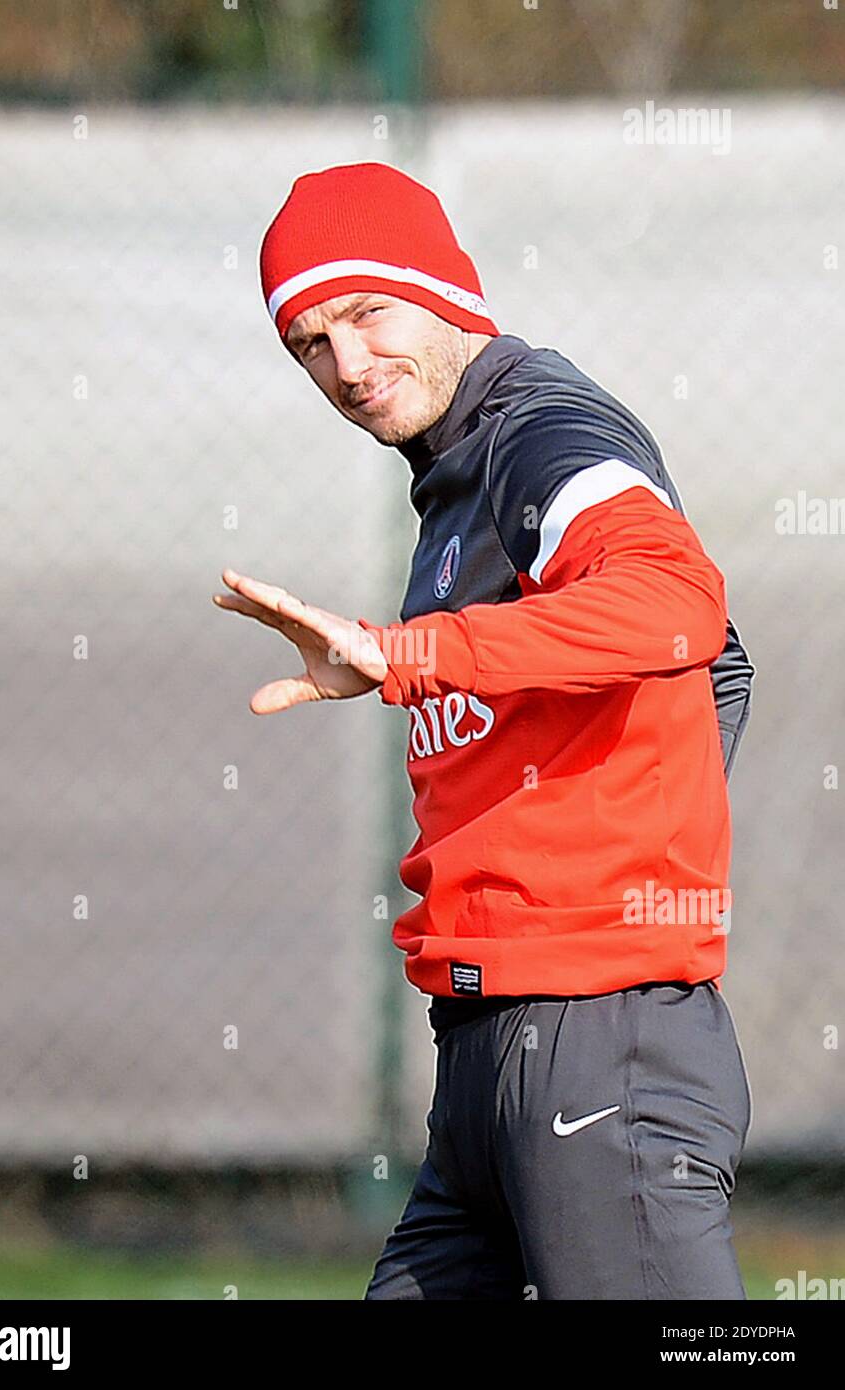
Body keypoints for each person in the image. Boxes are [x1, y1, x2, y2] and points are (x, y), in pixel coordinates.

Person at [214, 161, 755, 1300]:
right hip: (487, 1050)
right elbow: (721, 670)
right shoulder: (454, 472)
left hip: (595, 1037)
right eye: (308, 343)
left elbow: (675, 607)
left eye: (365, 314)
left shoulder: (539, 430)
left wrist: (411, 656)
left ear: (445, 291)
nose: (345, 366)